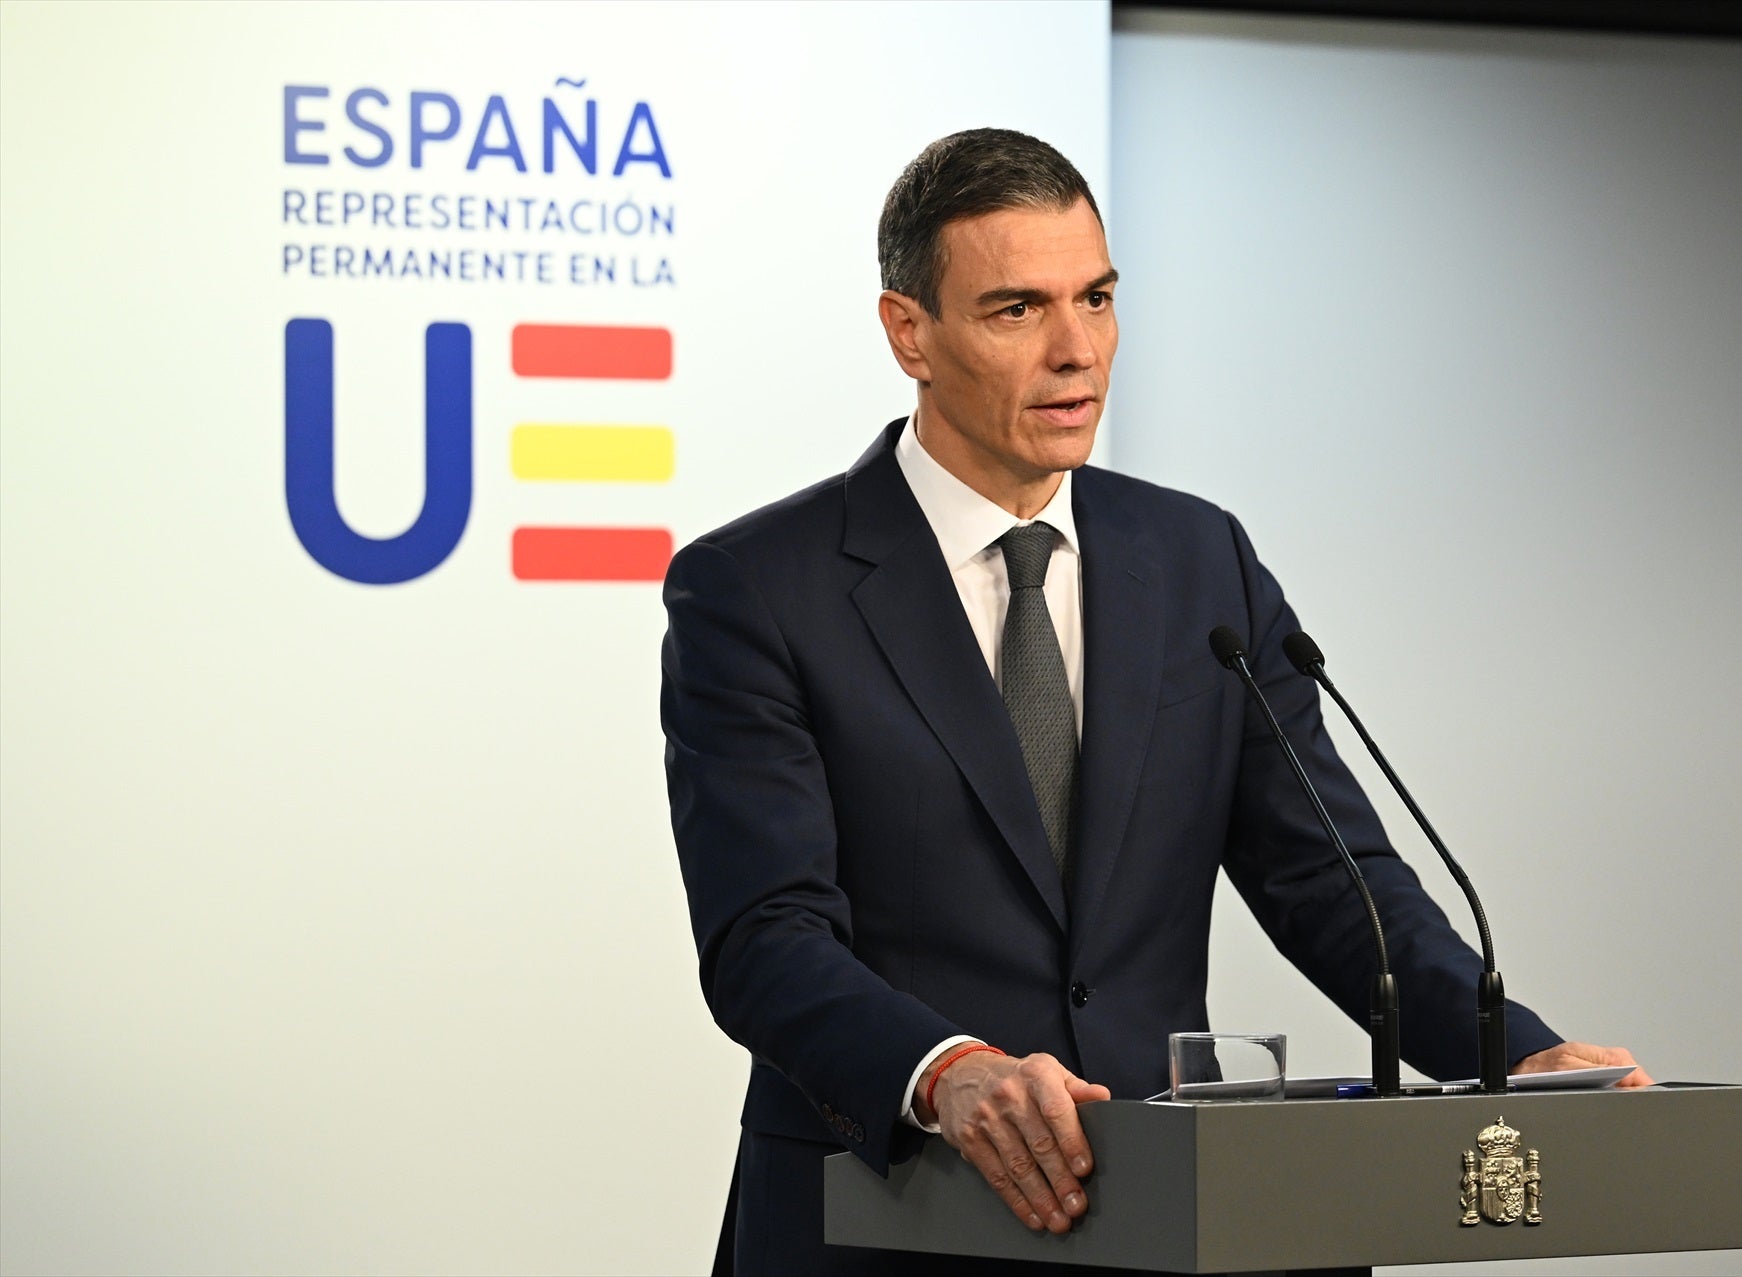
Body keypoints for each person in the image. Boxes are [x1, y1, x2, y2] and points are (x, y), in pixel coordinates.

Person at [661, 128, 1648, 1277]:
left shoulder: (1196, 558)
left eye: (1099, 296)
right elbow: (763, 937)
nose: (1078, 350)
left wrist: (1510, 1057)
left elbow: (1334, 882)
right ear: (909, 333)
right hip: (891, 1214)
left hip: (1176, 1221)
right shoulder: (762, 585)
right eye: (1018, 309)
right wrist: (947, 1069)